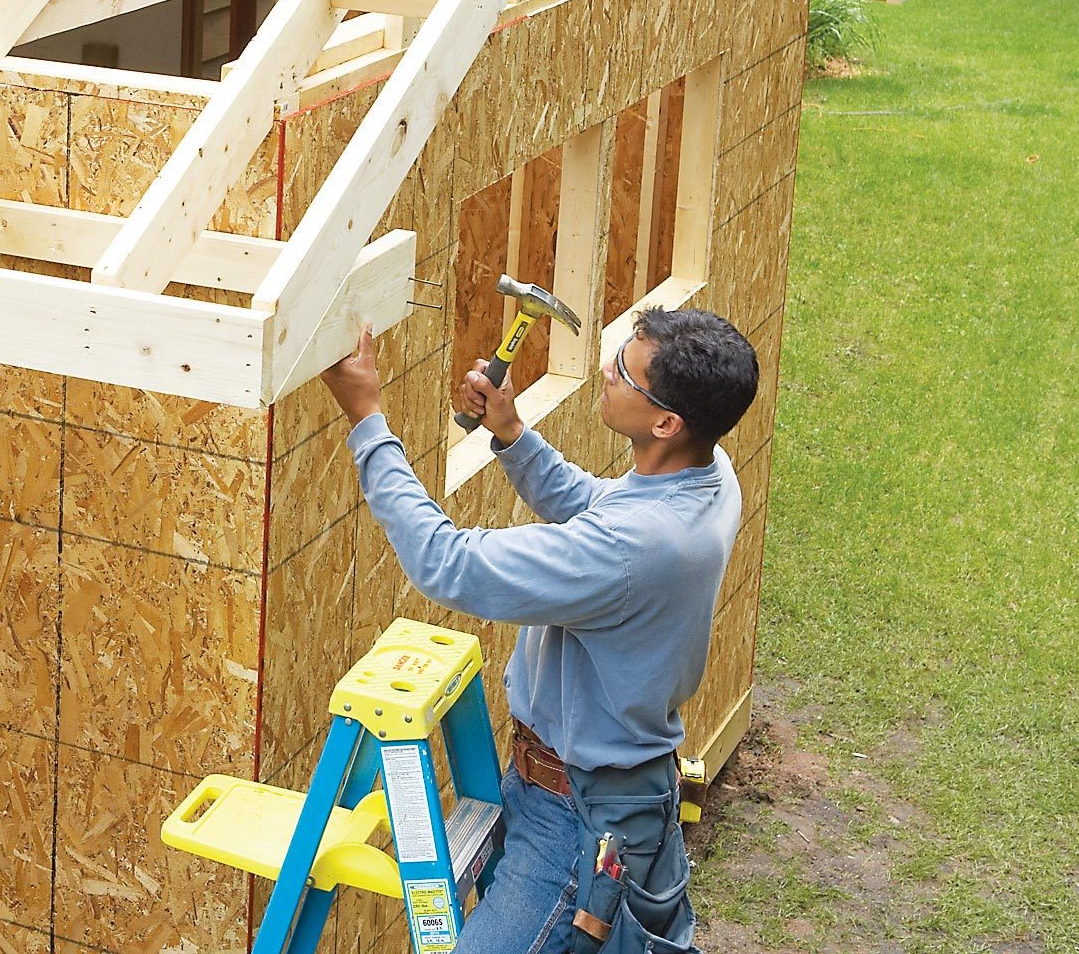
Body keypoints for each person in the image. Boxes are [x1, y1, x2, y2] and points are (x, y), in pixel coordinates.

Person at [317, 307, 759, 954]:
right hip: (601, 790)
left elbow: (448, 563)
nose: (605, 371)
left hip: (574, 819)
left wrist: (366, 419)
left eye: (625, 374)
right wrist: (512, 434)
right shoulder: (710, 477)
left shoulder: (637, 548)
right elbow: (599, 506)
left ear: (666, 422)